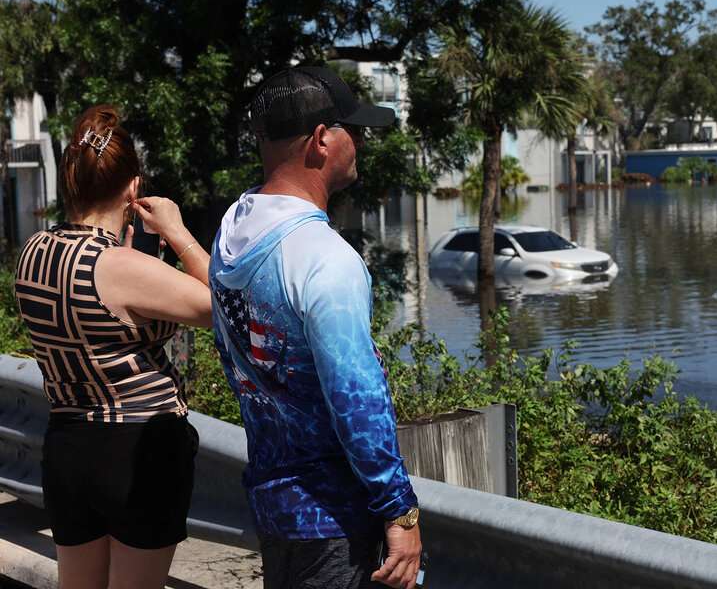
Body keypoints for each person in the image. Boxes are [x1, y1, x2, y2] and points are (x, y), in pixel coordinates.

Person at [208, 67, 421, 589]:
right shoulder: (325, 258)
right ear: (322, 139)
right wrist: (400, 510)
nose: (361, 143)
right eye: (355, 130)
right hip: (334, 520)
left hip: (273, 507)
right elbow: (356, 399)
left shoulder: (233, 231)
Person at [14, 105, 213, 589]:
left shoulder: (32, 252)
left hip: (68, 445)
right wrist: (177, 232)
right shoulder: (123, 268)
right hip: (139, 449)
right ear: (132, 188)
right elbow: (224, 307)